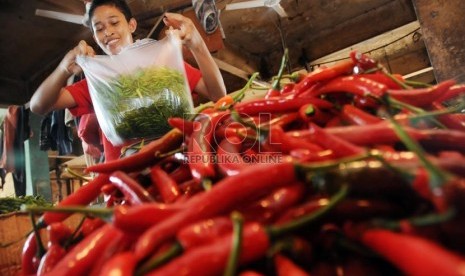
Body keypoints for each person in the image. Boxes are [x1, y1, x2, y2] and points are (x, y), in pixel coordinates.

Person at [30, 0, 226, 162]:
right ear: (95, 37)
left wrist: (197, 44)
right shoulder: (101, 82)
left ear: (131, 25)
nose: (107, 32)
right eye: (99, 29)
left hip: (177, 163)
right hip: (126, 178)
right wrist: (64, 67)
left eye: (114, 23)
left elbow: (218, 95)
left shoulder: (164, 65)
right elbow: (38, 105)